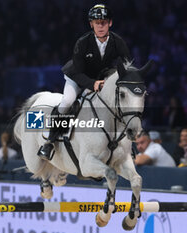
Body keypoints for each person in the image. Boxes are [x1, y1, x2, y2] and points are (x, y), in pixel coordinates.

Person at [38, 4, 131, 159]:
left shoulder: (118, 42)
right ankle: (49, 141)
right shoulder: (83, 42)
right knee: (68, 101)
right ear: (91, 24)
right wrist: (92, 84)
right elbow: (78, 72)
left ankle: (125, 145)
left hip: (101, 78)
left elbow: (127, 65)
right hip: (77, 78)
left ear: (110, 23)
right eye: (96, 22)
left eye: (103, 22)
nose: (100, 26)